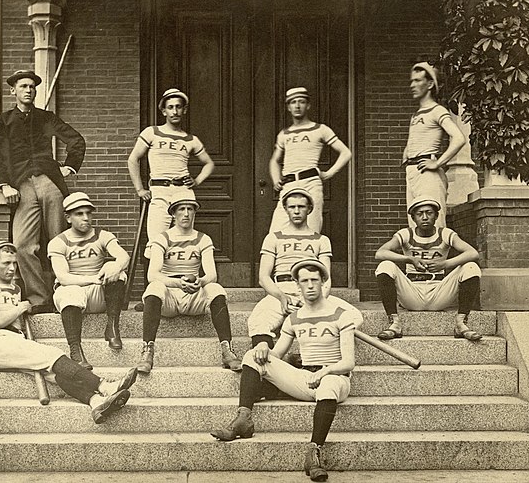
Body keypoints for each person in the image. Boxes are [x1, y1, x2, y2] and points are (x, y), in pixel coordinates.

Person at [211, 258, 363, 482]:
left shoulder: (341, 314)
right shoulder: (294, 318)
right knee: (252, 355)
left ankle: (314, 453)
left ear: (323, 282)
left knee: (328, 385)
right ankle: (244, 419)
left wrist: (323, 373)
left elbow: (348, 363)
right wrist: (263, 346)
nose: (310, 285)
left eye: (314, 280)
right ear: (297, 285)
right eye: (304, 281)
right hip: (305, 378)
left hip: (335, 379)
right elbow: (276, 356)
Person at [0, 241, 137, 424]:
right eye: (6, 263)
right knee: (53, 355)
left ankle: (96, 402)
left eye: (14, 263)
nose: (12, 268)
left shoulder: (16, 290)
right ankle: (105, 386)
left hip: (14, 342)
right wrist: (21, 307)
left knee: (54, 375)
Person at [0, 69, 86, 312]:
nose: (28, 90)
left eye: (32, 86)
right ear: (14, 91)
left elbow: (76, 141)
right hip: (21, 185)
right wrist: (4, 184)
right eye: (23, 86)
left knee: (58, 241)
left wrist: (69, 167)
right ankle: (39, 298)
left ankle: (63, 295)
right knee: (23, 245)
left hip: (49, 181)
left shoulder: (46, 118)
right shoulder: (3, 120)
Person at [136, 192, 241, 374]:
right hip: (169, 297)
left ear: (195, 213)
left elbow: (212, 275)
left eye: (190, 209)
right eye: (181, 209)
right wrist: (177, 284)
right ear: (173, 214)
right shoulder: (162, 238)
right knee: (154, 287)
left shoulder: (203, 238)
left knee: (215, 289)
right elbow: (152, 274)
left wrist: (200, 281)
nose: (186, 213)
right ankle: (147, 351)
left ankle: (227, 350)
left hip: (193, 295)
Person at [248, 187, 360, 358]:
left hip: (311, 289)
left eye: (301, 206)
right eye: (292, 207)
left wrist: (314, 300)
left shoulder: (321, 240)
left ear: (309, 209)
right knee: (259, 320)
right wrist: (282, 297)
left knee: (354, 317)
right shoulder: (273, 237)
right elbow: (264, 278)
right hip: (282, 290)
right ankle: (273, 361)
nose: (297, 211)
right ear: (285, 209)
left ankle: (308, 355)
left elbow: (326, 279)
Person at [375, 196, 482, 341]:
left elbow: (472, 253)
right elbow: (380, 253)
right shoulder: (406, 233)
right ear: (413, 218)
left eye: (429, 213)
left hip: (439, 291)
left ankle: (460, 323)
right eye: (419, 214)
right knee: (385, 265)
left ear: (436, 215)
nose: (424, 217)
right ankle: (394, 323)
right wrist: (409, 259)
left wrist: (445, 264)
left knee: (471, 267)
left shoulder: (445, 233)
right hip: (412, 292)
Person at [127, 88, 215, 259]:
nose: (175, 111)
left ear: (184, 110)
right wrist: (140, 190)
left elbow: (209, 163)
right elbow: (133, 159)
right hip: (159, 191)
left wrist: (196, 181)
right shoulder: (152, 132)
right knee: (156, 242)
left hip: (183, 193)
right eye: (170, 107)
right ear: (163, 110)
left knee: (184, 241)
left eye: (178, 107)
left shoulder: (191, 139)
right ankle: (155, 283)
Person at [48, 192, 131, 370]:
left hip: (98, 294)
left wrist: (114, 267)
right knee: (70, 291)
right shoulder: (58, 242)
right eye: (79, 214)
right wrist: (94, 278)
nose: (86, 218)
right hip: (72, 293)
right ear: (68, 218)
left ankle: (112, 327)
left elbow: (123, 256)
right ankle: (75, 349)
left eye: (88, 213)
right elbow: (63, 277)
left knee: (117, 272)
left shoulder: (102, 235)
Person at [268, 87, 352, 233]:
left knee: (310, 230)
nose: (297, 106)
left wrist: (330, 173)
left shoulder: (320, 129)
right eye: (293, 102)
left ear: (308, 105)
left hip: (311, 184)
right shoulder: (284, 134)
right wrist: (276, 180)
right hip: (288, 185)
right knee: (276, 232)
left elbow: (345, 152)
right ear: (288, 107)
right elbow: (274, 160)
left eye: (301, 101)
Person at [402, 62, 465, 228]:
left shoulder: (437, 111)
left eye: (417, 81)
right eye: (412, 81)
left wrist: (437, 163)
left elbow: (459, 138)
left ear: (430, 84)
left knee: (433, 226)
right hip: (414, 172)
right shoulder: (416, 115)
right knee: (415, 228)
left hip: (428, 174)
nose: (412, 85)